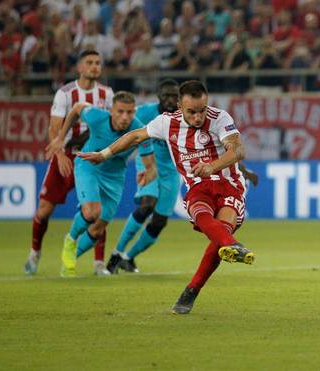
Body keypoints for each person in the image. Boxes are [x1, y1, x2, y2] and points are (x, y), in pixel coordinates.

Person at [79, 80, 255, 314]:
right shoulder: (166, 123)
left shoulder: (220, 118)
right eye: (191, 112)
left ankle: (191, 290)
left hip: (229, 185)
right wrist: (105, 153)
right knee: (204, 218)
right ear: (180, 108)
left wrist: (212, 166)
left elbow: (238, 150)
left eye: (202, 110)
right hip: (198, 187)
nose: (198, 117)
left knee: (220, 233)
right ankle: (232, 246)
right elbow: (134, 137)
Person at [46, 91, 155, 277]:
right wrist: (60, 138)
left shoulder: (139, 130)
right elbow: (77, 108)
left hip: (114, 177)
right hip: (89, 167)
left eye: (129, 112)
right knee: (91, 211)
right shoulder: (97, 116)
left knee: (98, 229)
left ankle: (70, 258)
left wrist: (146, 176)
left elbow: (150, 165)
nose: (125, 117)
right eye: (120, 111)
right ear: (111, 110)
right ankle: (71, 239)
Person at [24, 50, 113, 276]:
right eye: (90, 63)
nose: (95, 66)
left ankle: (99, 262)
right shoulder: (65, 93)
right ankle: (34, 253)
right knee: (44, 210)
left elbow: (109, 125)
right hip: (66, 156)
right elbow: (54, 127)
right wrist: (61, 154)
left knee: (98, 210)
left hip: (93, 158)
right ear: (80, 68)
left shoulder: (106, 93)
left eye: (98, 63)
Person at [107, 79, 180, 274]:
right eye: (167, 96)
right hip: (149, 164)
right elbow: (122, 126)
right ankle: (116, 253)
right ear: (159, 96)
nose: (171, 100)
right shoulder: (145, 112)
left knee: (159, 221)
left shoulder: (186, 117)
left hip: (172, 173)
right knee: (148, 204)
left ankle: (128, 258)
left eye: (175, 96)